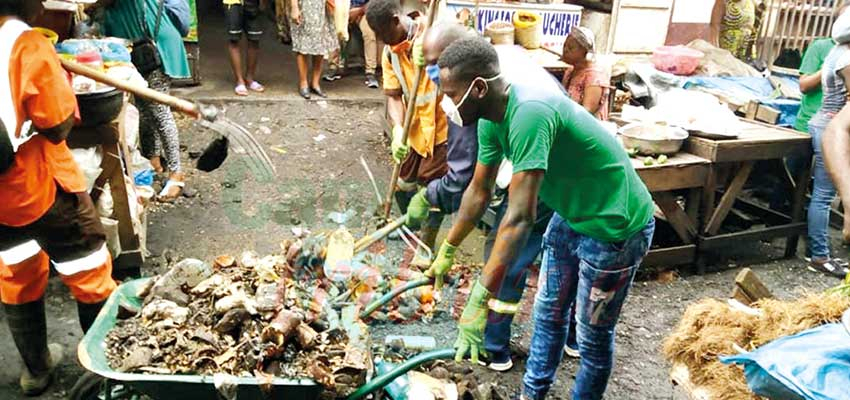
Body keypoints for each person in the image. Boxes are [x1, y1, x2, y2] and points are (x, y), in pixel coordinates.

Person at [429, 37, 655, 399]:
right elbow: (478, 190)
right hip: (569, 215)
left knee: (591, 337)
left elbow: (519, 217)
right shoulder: (490, 116)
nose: (446, 103)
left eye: (451, 93)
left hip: (613, 225)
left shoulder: (529, 113)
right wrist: (449, 248)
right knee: (548, 319)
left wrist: (479, 297)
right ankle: (531, 395)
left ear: (479, 87)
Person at [410, 23, 575, 372]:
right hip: (538, 160)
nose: (436, 75)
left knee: (508, 251)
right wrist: (448, 249)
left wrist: (429, 196)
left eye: (438, 64)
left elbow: (463, 181)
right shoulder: (491, 70)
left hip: (553, 172)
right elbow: (478, 188)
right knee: (560, 256)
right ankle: (570, 338)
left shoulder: (488, 93)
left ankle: (494, 346)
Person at [0, 0, 117, 395]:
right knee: (89, 267)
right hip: (39, 187)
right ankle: (106, 372)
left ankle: (36, 370)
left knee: (17, 271)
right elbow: (58, 126)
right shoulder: (28, 45)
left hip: (0, 204)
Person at [366, 0, 449, 248]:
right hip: (413, 130)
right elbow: (393, 96)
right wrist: (398, 129)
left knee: (431, 192)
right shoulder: (390, 52)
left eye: (383, 33)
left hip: (442, 128)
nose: (381, 39)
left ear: (396, 20)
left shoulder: (433, 33)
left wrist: (435, 57)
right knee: (403, 185)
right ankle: (410, 226)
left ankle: (426, 245)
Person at [102, 0, 192, 201]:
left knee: (159, 111)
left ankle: (177, 175)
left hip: (156, 45)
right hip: (142, 45)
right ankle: (153, 160)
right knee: (145, 109)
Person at [803, 12, 850, 278]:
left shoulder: (836, 52)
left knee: (821, 193)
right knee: (823, 195)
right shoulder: (848, 58)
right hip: (831, 127)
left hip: (823, 122)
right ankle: (819, 256)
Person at [324, 0, 381, 88]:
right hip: (342, 9)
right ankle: (333, 66)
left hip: (362, 11)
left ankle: (370, 71)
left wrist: (359, 11)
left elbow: (374, 2)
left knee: (369, 33)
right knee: (336, 30)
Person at [290, 0, 338, 99]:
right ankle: (303, 83)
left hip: (322, 7)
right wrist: (294, 6)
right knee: (303, 44)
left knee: (321, 43)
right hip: (305, 6)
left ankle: (315, 83)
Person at [560, 26, 609, 120]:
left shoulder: (594, 76)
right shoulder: (570, 71)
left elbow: (587, 112)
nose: (565, 50)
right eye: (564, 46)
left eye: (571, 48)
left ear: (584, 51)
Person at [224, 0, 266, 96]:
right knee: (234, 39)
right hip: (232, 2)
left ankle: (250, 78)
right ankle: (239, 81)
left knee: (254, 39)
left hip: (254, 3)